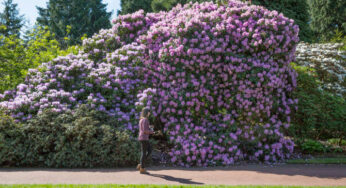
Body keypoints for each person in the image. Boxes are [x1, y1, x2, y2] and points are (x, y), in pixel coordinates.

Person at [137, 107, 154, 174]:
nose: (150, 113)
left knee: (147, 151)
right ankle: (142, 168)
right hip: (144, 138)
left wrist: (150, 128)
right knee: (145, 152)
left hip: (142, 138)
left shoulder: (141, 119)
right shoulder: (145, 120)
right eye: (149, 112)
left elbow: (144, 129)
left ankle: (141, 165)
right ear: (147, 112)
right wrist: (152, 132)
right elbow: (145, 131)